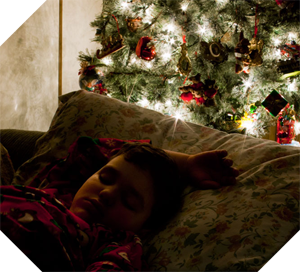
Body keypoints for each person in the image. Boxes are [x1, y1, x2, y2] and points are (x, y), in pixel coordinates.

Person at [0, 137, 238, 272]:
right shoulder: (59, 187)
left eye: (129, 201)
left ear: (145, 226)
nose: (106, 194)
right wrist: (184, 162)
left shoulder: (117, 244)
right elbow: (94, 147)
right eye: (105, 178)